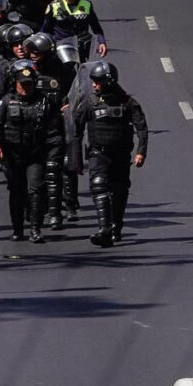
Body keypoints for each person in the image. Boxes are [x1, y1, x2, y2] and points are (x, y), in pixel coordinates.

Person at [73, 61, 147, 247]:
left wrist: (141, 152)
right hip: (99, 153)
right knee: (98, 186)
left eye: (97, 82)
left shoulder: (128, 103)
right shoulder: (89, 102)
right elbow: (76, 129)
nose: (94, 85)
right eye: (93, 81)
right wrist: (75, 159)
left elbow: (142, 128)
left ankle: (116, 228)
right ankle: (104, 229)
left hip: (121, 155)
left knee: (119, 191)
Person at [0, 59, 64, 243]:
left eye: (29, 84)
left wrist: (54, 153)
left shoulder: (44, 102)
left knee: (35, 190)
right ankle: (17, 230)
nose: (25, 88)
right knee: (17, 192)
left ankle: (35, 229)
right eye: (21, 85)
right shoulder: (6, 103)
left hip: (35, 154)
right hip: (13, 155)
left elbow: (56, 128)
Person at [42, 0, 107, 61]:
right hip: (62, 49)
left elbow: (96, 26)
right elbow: (45, 30)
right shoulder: (54, 6)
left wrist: (102, 42)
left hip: (83, 48)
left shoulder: (86, 4)